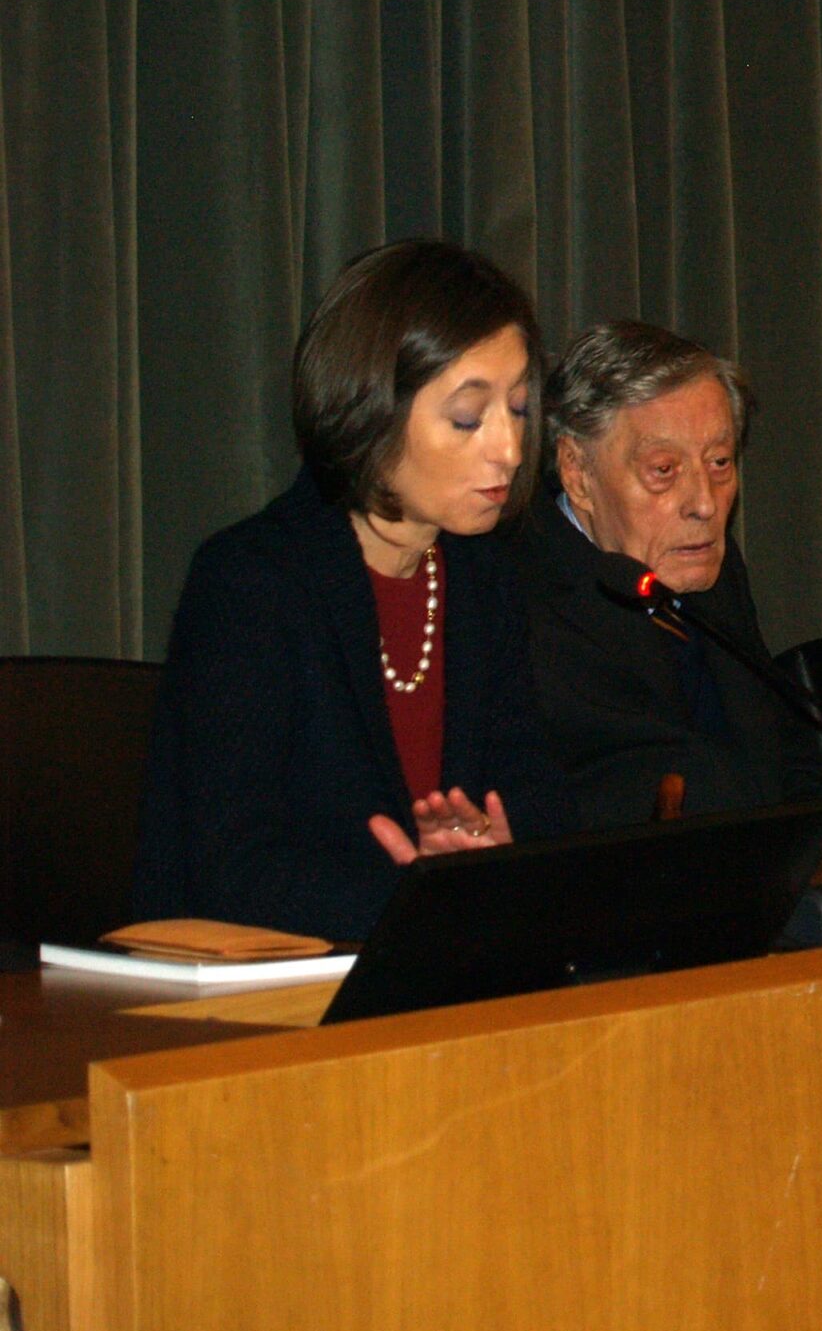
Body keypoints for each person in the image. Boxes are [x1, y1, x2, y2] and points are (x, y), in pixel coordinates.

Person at [132, 241, 573, 940]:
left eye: (519, 410)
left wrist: (494, 849)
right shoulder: (253, 582)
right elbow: (230, 873)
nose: (510, 451)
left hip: (429, 969)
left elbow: (534, 794)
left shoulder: (483, 579)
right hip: (260, 1001)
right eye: (467, 418)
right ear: (371, 410)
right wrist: (420, 897)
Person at [508, 322, 822, 830]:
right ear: (577, 472)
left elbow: (780, 754)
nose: (705, 503)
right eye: (663, 470)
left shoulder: (709, 569)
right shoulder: (522, 589)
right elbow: (642, 780)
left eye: (720, 462)